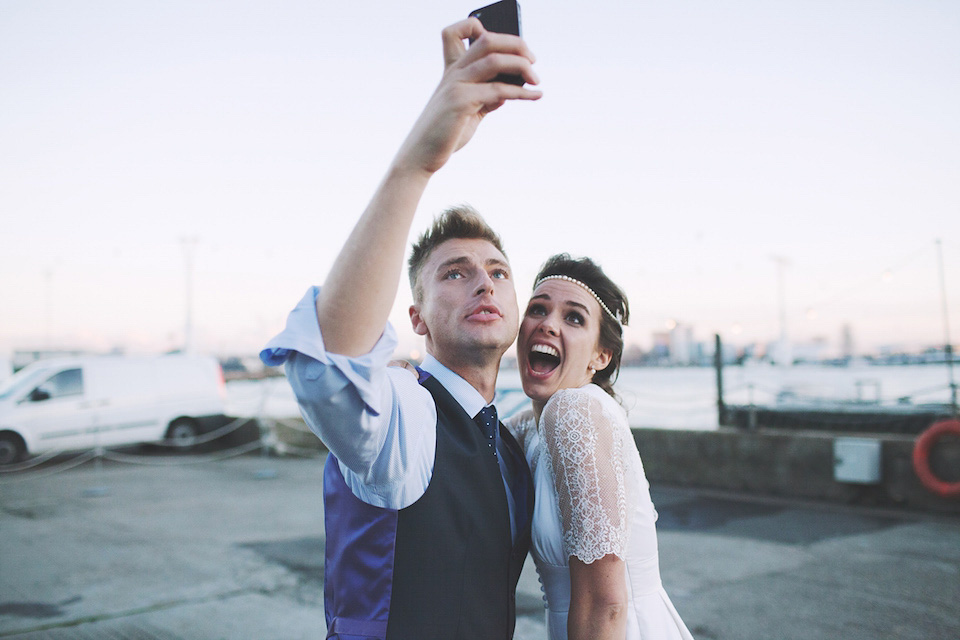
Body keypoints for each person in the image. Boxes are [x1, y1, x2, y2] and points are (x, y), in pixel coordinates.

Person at [259, 17, 541, 640]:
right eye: (456, 274)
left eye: (497, 272)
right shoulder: (406, 411)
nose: (484, 283)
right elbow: (330, 364)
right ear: (415, 317)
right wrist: (418, 163)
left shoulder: (516, 445)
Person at [507, 254, 695, 640]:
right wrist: (413, 380)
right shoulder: (531, 428)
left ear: (600, 356)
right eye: (537, 310)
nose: (547, 324)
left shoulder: (574, 410)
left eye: (573, 318)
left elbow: (606, 605)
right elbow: (461, 436)